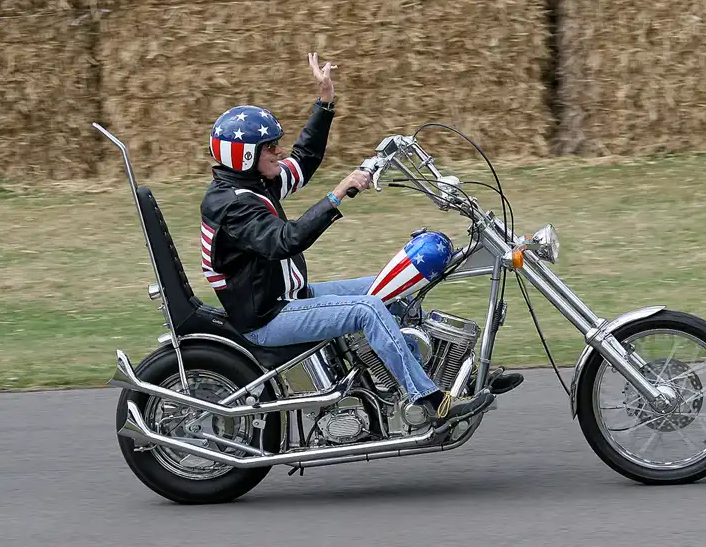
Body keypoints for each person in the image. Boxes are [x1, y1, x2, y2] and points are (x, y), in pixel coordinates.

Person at [199, 52, 498, 426]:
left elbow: (305, 158)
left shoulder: (256, 183)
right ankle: (430, 401)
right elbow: (285, 241)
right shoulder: (232, 205)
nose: (280, 151)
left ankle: (452, 376)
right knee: (368, 308)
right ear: (244, 156)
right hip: (268, 316)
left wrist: (325, 100)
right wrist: (339, 193)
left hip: (290, 296)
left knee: (394, 288)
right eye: (270, 148)